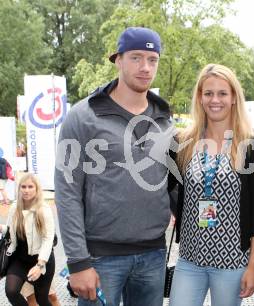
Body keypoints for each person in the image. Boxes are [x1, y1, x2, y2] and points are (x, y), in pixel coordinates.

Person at [55, 27, 173, 306]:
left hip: (153, 255)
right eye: (136, 58)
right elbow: (66, 191)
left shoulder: (165, 120)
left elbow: (172, 182)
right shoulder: (82, 116)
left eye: (152, 59)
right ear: (118, 60)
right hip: (100, 259)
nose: (145, 67)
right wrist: (78, 262)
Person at [169, 64, 254, 306]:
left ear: (234, 97)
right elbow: (165, 189)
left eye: (222, 93)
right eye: (208, 93)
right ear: (200, 98)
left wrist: (253, 267)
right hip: (190, 259)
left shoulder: (252, 147)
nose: (215, 100)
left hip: (232, 262)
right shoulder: (181, 143)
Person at [0, 173, 56, 306]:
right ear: (19, 189)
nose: (26, 190)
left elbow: (48, 239)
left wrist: (40, 265)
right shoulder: (15, 207)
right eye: (23, 187)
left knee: (42, 299)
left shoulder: (44, 209)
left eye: (30, 187)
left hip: (41, 261)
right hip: (20, 260)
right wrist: (1, 228)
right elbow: (11, 231)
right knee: (11, 291)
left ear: (37, 189)